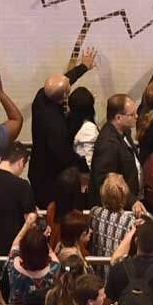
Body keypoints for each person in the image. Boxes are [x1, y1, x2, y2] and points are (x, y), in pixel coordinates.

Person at [28, 52, 97, 212]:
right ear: (65, 96)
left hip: (37, 168)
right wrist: (83, 166)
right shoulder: (56, 127)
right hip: (49, 178)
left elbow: (63, 81)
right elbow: (64, 154)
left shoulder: (41, 98)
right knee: (53, 212)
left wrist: (83, 67)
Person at [2, 212, 61, 305]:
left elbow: (15, 244)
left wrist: (27, 225)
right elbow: (50, 254)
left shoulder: (13, 266)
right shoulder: (55, 270)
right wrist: (43, 237)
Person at [88, 93, 141, 202]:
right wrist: (131, 201)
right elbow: (105, 182)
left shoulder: (125, 132)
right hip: (117, 205)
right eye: (132, 114)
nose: (137, 116)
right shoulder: (107, 143)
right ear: (118, 118)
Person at [85, 174, 136, 258]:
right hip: (118, 265)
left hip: (95, 264)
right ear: (124, 195)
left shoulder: (94, 212)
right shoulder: (130, 221)